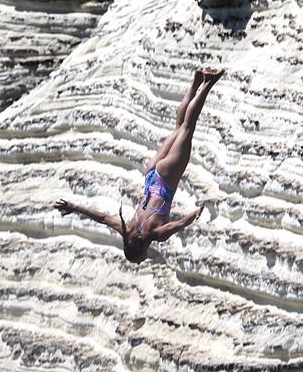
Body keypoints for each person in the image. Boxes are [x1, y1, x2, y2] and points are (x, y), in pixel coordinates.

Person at [54, 68, 224, 263]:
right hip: (152, 174)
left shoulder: (155, 235)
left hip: (167, 178)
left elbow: (178, 225)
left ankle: (207, 83)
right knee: (178, 127)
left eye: (141, 258)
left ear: (141, 250)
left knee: (187, 126)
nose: (144, 259)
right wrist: (73, 207)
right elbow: (101, 218)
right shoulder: (127, 229)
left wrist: (195, 214)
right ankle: (196, 81)